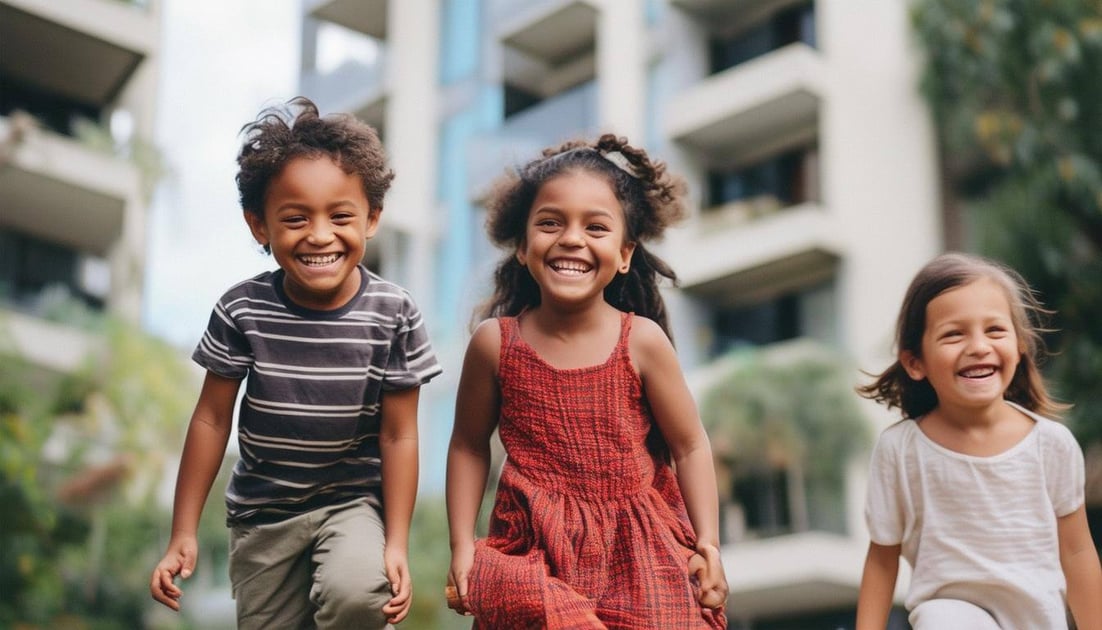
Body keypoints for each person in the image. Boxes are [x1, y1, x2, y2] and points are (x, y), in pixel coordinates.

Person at [149, 97, 442, 629]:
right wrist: (183, 531)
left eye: (341, 216)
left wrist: (396, 541)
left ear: (372, 218)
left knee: (358, 596)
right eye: (295, 218)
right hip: (263, 516)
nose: (320, 234)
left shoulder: (394, 313)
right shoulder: (241, 309)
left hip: (352, 503)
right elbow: (212, 419)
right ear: (259, 225)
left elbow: (400, 435)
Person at [444, 133, 729, 629]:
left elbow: (689, 446)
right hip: (532, 551)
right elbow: (469, 445)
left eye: (595, 227)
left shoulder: (642, 341)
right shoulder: (495, 344)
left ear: (624, 254)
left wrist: (709, 544)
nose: (571, 238)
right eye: (550, 223)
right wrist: (462, 545)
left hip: (639, 550)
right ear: (521, 246)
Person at [855, 252, 1102, 629]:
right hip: (947, 613)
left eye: (995, 330)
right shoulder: (901, 450)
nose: (978, 346)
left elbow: (1078, 551)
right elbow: (882, 558)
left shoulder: (1052, 444)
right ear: (915, 362)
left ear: (1020, 345)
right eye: (954, 334)